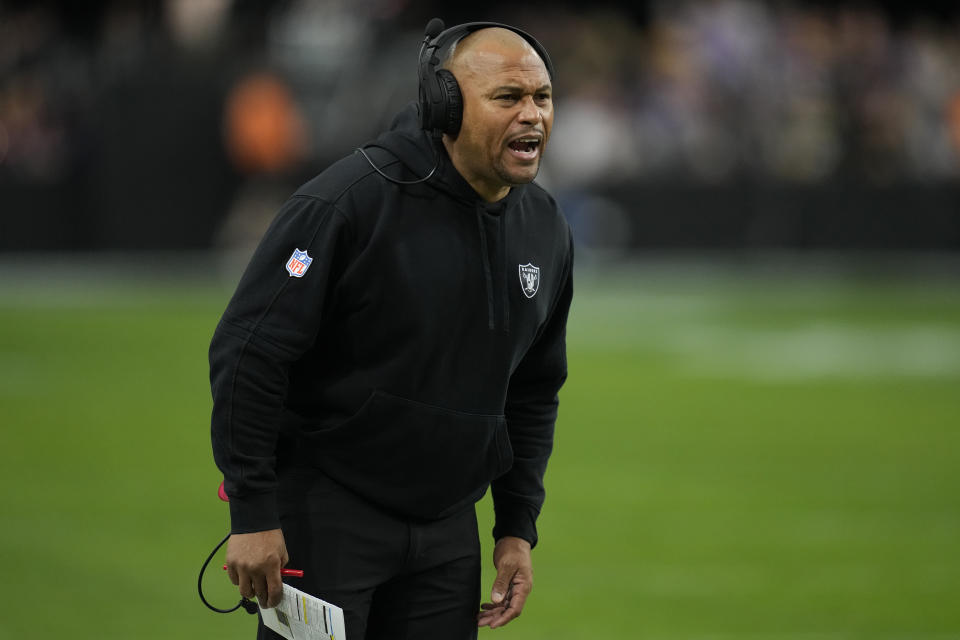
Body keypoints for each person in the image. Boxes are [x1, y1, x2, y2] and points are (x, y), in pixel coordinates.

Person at [209, 19, 573, 640]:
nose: (532, 115)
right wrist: (252, 512)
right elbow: (250, 352)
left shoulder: (544, 226)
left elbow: (533, 390)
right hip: (327, 514)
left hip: (447, 529)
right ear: (445, 105)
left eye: (541, 97)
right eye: (508, 98)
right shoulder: (347, 203)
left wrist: (516, 528)